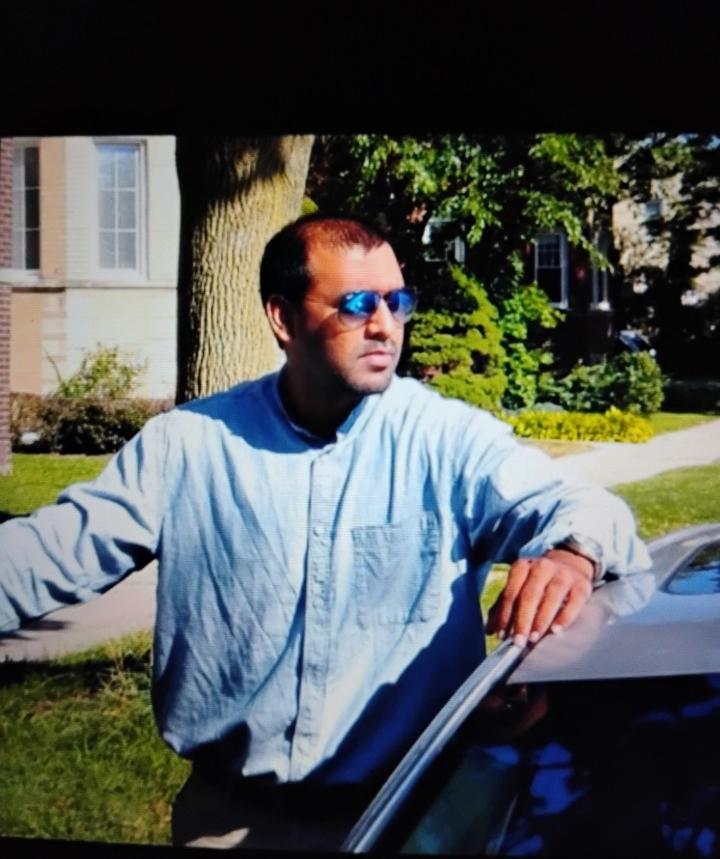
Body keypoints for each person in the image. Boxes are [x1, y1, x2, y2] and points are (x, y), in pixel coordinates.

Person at [0, 214, 651, 850]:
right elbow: (47, 555)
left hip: (411, 819)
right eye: (357, 304)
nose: (385, 325)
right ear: (283, 319)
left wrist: (572, 554)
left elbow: (589, 509)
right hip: (228, 820)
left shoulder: (447, 440)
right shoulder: (187, 447)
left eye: (397, 302)